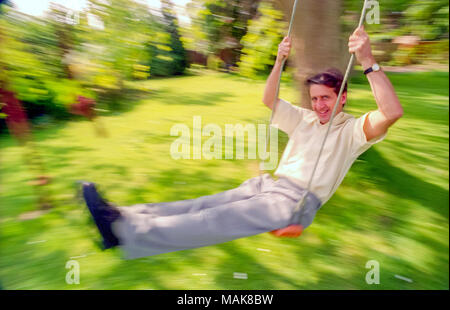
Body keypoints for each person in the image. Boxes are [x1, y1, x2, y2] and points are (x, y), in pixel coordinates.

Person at [81, 26, 403, 259]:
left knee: (214, 221)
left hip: (296, 203)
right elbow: (269, 99)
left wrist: (367, 59)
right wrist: (278, 61)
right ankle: (120, 215)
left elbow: (391, 111)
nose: (319, 105)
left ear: (342, 98)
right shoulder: (305, 118)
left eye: (327, 98)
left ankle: (125, 235)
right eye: (315, 98)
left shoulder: (352, 131)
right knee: (201, 205)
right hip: (270, 185)